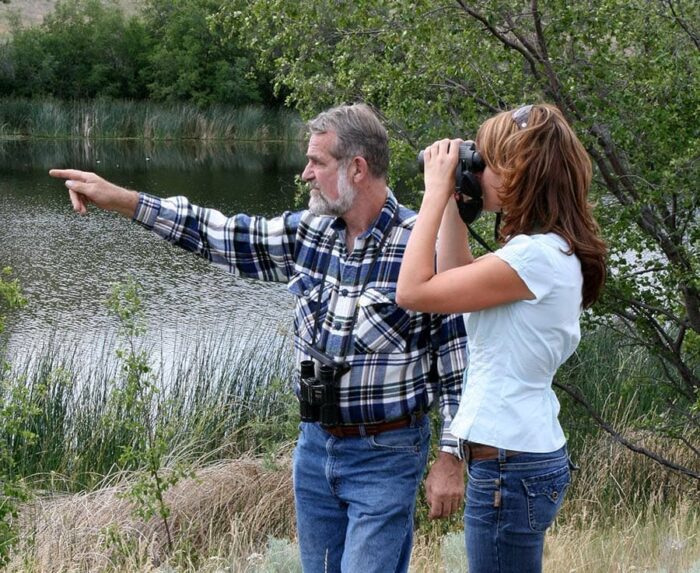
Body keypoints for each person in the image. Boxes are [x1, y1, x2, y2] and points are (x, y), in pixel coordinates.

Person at [49, 103, 468, 573]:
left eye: (318, 162)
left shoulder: (422, 246)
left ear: (357, 168)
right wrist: (124, 201)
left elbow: (457, 363)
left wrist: (451, 456)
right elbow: (217, 233)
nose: (306, 173)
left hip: (385, 456)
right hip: (314, 448)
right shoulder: (310, 232)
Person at [396, 103, 607, 573]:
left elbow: (412, 291)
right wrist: (456, 202)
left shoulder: (533, 258)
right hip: (517, 459)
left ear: (518, 173)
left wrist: (432, 195)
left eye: (486, 164)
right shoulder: (547, 252)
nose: (479, 172)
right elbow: (455, 283)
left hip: (509, 468)